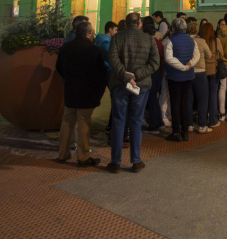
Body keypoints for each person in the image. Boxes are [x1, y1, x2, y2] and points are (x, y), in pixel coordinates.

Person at [106, 12, 160, 173]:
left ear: (125, 23)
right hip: (140, 86)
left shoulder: (117, 38)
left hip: (120, 84)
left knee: (118, 121)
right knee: (136, 122)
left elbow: (112, 59)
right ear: (140, 24)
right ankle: (136, 161)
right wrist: (137, 75)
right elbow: (155, 63)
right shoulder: (149, 39)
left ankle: (115, 162)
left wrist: (126, 76)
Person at [55, 21, 107, 166]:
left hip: (70, 90)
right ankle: (83, 156)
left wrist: (68, 78)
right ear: (88, 34)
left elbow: (59, 67)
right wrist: (99, 89)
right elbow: (101, 72)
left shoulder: (66, 47)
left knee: (67, 121)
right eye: (92, 32)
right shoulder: (93, 49)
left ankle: (62, 154)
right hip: (87, 91)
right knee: (84, 122)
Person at [164, 18, 200, 142]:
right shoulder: (191, 40)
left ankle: (176, 132)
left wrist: (182, 67)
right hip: (188, 76)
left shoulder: (170, 40)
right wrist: (189, 65)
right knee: (185, 103)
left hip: (174, 76)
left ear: (174, 28)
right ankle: (185, 132)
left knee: (175, 104)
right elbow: (197, 56)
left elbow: (168, 58)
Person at [186, 21, 212, 133]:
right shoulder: (201, 41)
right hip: (200, 72)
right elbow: (209, 55)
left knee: (188, 99)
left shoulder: (185, 41)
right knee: (202, 100)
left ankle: (189, 125)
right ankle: (202, 125)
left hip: (188, 72)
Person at [142, 16, 166, 134]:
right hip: (159, 73)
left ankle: (155, 124)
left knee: (151, 99)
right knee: (153, 98)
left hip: (151, 74)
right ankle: (158, 122)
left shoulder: (149, 44)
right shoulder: (159, 43)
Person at [95, 20, 118, 139]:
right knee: (116, 98)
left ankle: (110, 125)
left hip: (105, 71)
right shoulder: (105, 42)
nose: (117, 32)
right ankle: (111, 126)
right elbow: (110, 57)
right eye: (116, 30)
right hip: (108, 71)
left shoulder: (100, 40)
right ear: (110, 29)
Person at [199, 22, 223, 128]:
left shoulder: (201, 41)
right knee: (213, 96)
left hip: (203, 71)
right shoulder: (216, 41)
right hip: (213, 70)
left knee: (203, 97)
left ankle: (202, 120)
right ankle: (213, 120)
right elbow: (222, 54)